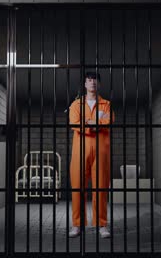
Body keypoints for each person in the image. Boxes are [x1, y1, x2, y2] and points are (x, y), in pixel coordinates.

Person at [68, 72, 114, 239]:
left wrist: (87, 123)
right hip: (80, 151)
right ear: (85, 84)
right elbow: (74, 122)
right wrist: (95, 124)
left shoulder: (106, 104)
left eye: (95, 79)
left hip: (101, 153)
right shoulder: (75, 105)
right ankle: (77, 224)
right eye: (88, 79)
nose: (92, 82)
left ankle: (101, 224)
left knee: (100, 189)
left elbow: (108, 122)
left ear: (98, 84)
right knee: (77, 189)